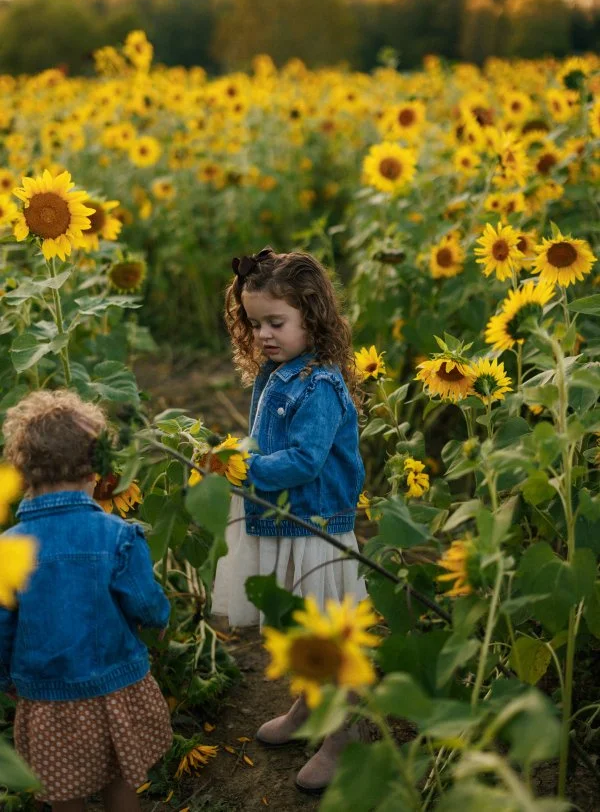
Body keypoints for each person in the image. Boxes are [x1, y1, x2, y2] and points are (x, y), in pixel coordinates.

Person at [213, 246, 366, 793]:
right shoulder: (277, 375)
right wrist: (232, 453)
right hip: (283, 521)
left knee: (322, 633)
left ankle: (341, 733)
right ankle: (307, 704)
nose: (264, 336)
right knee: (295, 627)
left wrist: (244, 468)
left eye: (276, 323)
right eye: (255, 325)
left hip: (316, 527)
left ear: (313, 316)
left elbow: (304, 460)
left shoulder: (320, 386)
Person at [0, 390, 172, 812]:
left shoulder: (9, 548)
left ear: (23, 473)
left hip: (47, 697)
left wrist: (7, 679)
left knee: (64, 794)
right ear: (94, 469)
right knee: (120, 780)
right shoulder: (116, 536)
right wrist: (160, 620)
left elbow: (2, 627)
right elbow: (145, 602)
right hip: (114, 685)